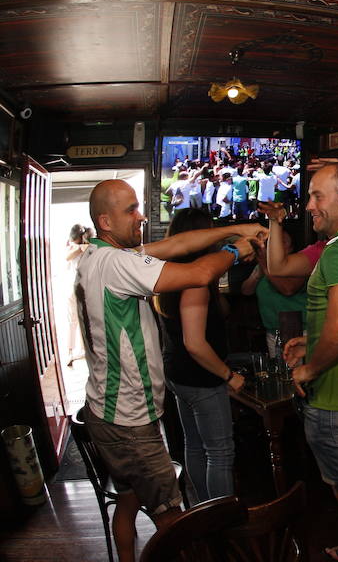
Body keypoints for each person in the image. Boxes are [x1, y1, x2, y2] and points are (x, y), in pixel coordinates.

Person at [76, 179, 263, 562]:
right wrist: (234, 248)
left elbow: (177, 245)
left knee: (128, 504)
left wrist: (236, 227)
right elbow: (196, 273)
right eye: (131, 210)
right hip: (129, 423)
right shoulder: (115, 264)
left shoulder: (96, 255)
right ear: (105, 221)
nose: (141, 216)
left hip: (106, 413)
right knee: (175, 524)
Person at [266, 162, 338, 562]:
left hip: (336, 400)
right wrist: (312, 341)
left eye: (318, 195)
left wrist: (311, 368)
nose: (310, 205)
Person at [153, 208, 246, 505]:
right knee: (220, 452)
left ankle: (203, 508)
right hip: (200, 378)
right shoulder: (194, 282)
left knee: (194, 445)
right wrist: (228, 376)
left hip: (178, 374)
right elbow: (195, 342)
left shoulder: (169, 274)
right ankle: (220, 519)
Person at [240, 225, 324, 358]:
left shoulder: (299, 266)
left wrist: (264, 264)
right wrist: (259, 271)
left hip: (301, 333)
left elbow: (288, 289)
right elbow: (246, 290)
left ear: (291, 248)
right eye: (273, 242)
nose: (276, 246)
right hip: (273, 332)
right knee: (280, 373)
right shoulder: (265, 266)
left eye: (283, 242)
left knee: (300, 374)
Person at [64, 224, 91, 366]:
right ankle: (71, 351)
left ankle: (78, 350)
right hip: (75, 289)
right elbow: (68, 257)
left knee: (78, 320)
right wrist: (82, 247)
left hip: (79, 289)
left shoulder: (84, 247)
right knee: (76, 320)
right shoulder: (76, 247)